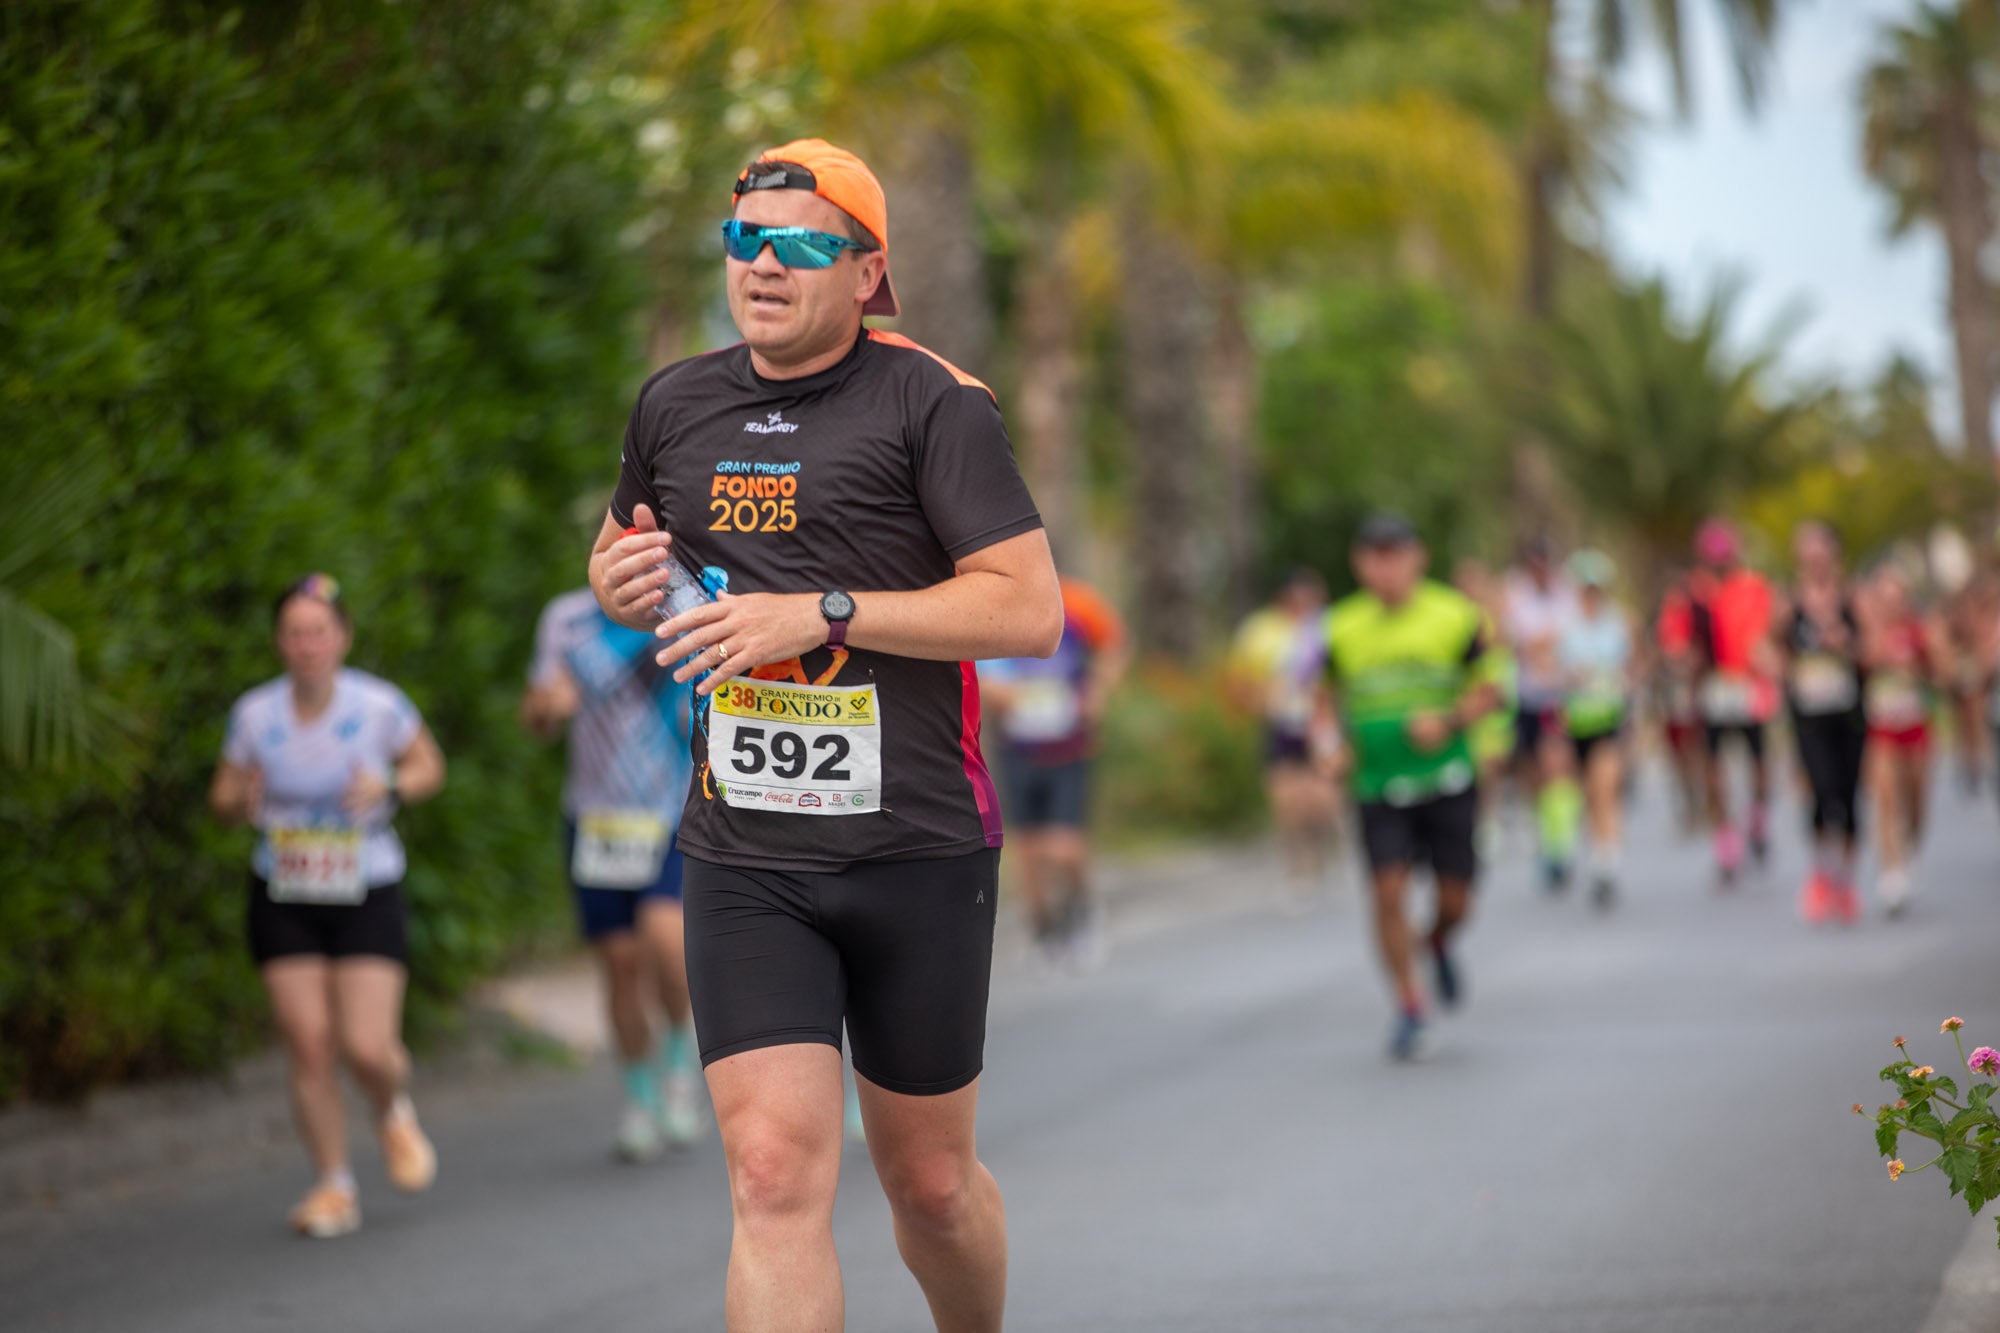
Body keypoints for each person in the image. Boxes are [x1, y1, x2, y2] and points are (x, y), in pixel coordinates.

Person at [588, 138, 1061, 1331]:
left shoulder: (933, 404)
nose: (763, 264)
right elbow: (612, 562)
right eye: (745, 239)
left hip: (916, 846)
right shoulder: (675, 401)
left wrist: (823, 611)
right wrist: (621, 579)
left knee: (931, 1184)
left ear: (866, 273)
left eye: (801, 243)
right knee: (769, 1174)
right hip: (745, 851)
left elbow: (1025, 607)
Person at [208, 574, 446, 1239]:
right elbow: (222, 795)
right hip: (284, 890)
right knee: (310, 1044)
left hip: (365, 885)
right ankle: (334, 1186)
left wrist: (392, 781)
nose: (306, 644)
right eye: (293, 632)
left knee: (366, 1046)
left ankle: (391, 1104)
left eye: (318, 631)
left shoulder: (379, 705)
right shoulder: (255, 714)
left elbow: (430, 767)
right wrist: (241, 801)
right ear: (279, 642)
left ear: (340, 636)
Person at [522, 585, 703, 1160]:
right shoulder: (567, 617)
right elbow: (537, 714)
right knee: (620, 966)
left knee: (667, 948)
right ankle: (639, 1099)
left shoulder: (686, 607)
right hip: (596, 822)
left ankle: (679, 1059)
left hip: (669, 812)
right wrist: (548, 707)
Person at [1323, 514, 1498, 1061]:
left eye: (1395, 554)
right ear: (1359, 563)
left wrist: (1448, 720)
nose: (1386, 567)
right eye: (1375, 556)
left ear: (1417, 557)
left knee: (1455, 900)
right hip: (1377, 785)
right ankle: (1409, 1007)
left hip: (1447, 779)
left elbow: (1492, 687)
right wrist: (1329, 745)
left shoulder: (1456, 615)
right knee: (1387, 893)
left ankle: (1441, 939)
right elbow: (1321, 698)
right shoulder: (1340, 627)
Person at [978, 576, 1129, 967]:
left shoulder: (1079, 602)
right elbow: (979, 673)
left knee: (1064, 847)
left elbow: (1114, 645)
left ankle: (1082, 911)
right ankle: (1044, 931)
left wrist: (1097, 691)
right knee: (1028, 852)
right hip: (1019, 749)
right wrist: (1002, 694)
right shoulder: (994, 607)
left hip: (1071, 747)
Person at [1226, 568, 1343, 889]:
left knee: (1321, 799)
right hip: (1279, 725)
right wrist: (1261, 700)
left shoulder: (1328, 628)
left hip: (1321, 724)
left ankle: (1325, 848)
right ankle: (1299, 866)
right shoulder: (1261, 631)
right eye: (1295, 598)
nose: (1302, 604)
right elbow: (1238, 681)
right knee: (1285, 801)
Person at [1781, 521, 1867, 925]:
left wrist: (1847, 645)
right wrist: (1783, 665)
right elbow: (1764, 646)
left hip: (1848, 712)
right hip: (1808, 713)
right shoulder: (1790, 604)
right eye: (1808, 557)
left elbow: (1877, 646)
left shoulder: (1853, 599)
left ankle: (1845, 880)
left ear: (1834, 558)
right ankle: (1820, 870)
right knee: (1820, 788)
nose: (1815, 564)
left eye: (1821, 556)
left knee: (1848, 796)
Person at [1687, 519, 1780, 884]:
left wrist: (1766, 663)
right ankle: (1725, 840)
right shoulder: (1696, 593)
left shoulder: (1754, 587)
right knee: (1713, 769)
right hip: (1713, 688)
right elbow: (1679, 640)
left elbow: (1767, 631)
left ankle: (1757, 817)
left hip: (1748, 686)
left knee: (1758, 761)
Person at [1857, 565, 1949, 915]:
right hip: (1881, 728)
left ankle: (1909, 846)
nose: (1891, 604)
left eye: (1897, 597)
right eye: (1884, 598)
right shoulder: (1869, 633)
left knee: (1914, 800)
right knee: (1885, 799)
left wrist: (1930, 657)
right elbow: (1857, 668)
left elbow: (1942, 675)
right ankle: (1891, 872)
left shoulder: (1920, 630)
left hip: (1916, 725)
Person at [1502, 537, 1583, 889]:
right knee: (1533, 776)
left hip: (1558, 698)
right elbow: (1514, 642)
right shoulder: (1514, 594)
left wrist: (1542, 646)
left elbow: (1571, 640)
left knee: (1557, 768)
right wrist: (1538, 646)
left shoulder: (1568, 595)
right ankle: (1546, 836)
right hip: (1525, 697)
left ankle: (1559, 845)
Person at [1556, 550, 1633, 908]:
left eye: (1596, 588)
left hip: (1609, 719)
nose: (1591, 594)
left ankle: (1607, 863)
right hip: (1576, 722)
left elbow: (1632, 668)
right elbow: (1549, 671)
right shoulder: (1565, 628)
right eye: (1585, 588)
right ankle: (1595, 852)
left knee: (1605, 789)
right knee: (1587, 794)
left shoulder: (1617, 624)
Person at [1452, 557, 1517, 864]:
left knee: (1491, 764)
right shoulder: (1452, 617)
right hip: (1465, 699)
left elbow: (1502, 651)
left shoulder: (1491, 616)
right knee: (1473, 763)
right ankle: (1475, 821)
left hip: (1491, 696)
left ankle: (1489, 818)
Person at [1653, 570, 1708, 835]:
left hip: (1695, 692)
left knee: (1696, 750)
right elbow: (1663, 652)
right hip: (1673, 695)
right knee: (1679, 754)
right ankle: (1689, 803)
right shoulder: (1668, 619)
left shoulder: (1698, 615)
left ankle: (1701, 801)